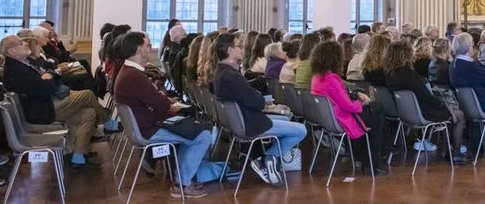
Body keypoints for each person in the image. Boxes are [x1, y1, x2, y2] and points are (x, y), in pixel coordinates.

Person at [113, 32, 209, 199]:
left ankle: (182, 177)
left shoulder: (128, 72)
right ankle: (182, 184)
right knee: (203, 135)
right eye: (148, 46)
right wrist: (168, 101)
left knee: (193, 129)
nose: (150, 49)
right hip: (150, 129)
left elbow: (156, 100)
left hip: (146, 124)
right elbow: (165, 106)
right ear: (139, 50)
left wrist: (162, 98)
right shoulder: (134, 76)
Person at [1, 35, 118, 168]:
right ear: (12, 51)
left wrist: (49, 75)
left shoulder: (24, 63)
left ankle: (78, 156)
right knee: (88, 95)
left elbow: (48, 77)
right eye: (21, 43)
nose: (25, 44)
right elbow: (47, 87)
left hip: (44, 103)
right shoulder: (15, 70)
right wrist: (50, 75)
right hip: (41, 110)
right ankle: (107, 121)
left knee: (88, 113)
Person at [213, 33, 307, 186]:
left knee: (285, 118)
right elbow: (257, 103)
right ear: (230, 50)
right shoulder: (232, 76)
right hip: (250, 123)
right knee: (301, 129)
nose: (242, 49)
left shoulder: (220, 72)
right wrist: (257, 96)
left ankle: (268, 159)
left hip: (242, 120)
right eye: (239, 46)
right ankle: (269, 158)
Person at [383, 42, 469, 164]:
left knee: (450, 114)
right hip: (423, 112)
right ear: (406, 55)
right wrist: (442, 103)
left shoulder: (390, 74)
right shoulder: (408, 74)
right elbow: (426, 96)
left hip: (407, 114)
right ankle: (455, 153)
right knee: (459, 115)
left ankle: (447, 151)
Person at [310, 41, 386, 174]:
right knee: (377, 116)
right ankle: (373, 164)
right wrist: (363, 103)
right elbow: (348, 106)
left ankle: (360, 156)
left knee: (375, 111)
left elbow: (339, 97)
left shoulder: (317, 77)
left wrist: (356, 94)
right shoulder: (331, 79)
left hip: (329, 118)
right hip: (343, 118)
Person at [161, 24, 188, 94]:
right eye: (184, 34)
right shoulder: (178, 53)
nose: (186, 36)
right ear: (178, 37)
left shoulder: (173, 50)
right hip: (182, 88)